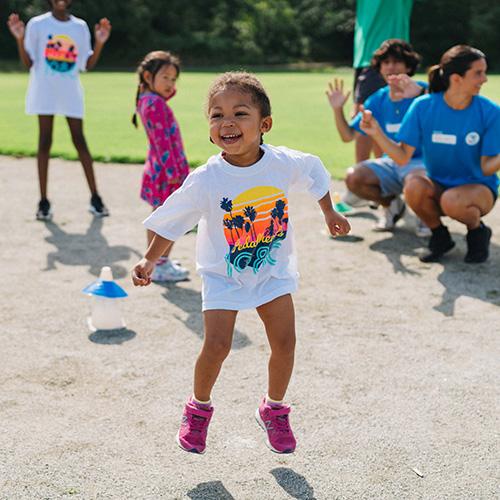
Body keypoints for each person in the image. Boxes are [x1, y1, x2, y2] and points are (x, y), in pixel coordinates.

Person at [131, 72, 351, 454]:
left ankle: (274, 409)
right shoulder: (206, 179)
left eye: (240, 113)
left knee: (285, 343)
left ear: (264, 124)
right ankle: (198, 410)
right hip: (224, 275)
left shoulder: (282, 163)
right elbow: (173, 218)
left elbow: (314, 170)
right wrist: (150, 260)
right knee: (217, 345)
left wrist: (329, 212)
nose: (227, 123)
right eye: (216, 115)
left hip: (272, 271)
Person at [360, 45, 500, 263]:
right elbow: (402, 157)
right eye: (478, 73)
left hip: (478, 187)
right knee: (414, 186)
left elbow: (486, 167)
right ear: (456, 78)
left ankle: (477, 231)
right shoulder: (423, 107)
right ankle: (440, 236)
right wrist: (376, 132)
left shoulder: (490, 112)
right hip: (439, 184)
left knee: (451, 200)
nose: (484, 79)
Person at [7, 0, 111, 221]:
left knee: (80, 141)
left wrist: (100, 43)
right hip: (44, 90)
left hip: (70, 92)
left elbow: (87, 64)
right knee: (44, 142)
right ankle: (43, 202)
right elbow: (28, 63)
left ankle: (96, 198)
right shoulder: (37, 24)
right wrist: (19, 38)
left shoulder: (79, 27)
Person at [327, 39, 429, 235]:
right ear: (380, 68)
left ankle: (426, 216)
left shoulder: (423, 91)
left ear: (408, 66)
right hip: (392, 162)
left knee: (416, 183)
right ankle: (392, 205)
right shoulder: (377, 99)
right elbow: (348, 135)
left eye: (397, 62)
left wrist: (420, 94)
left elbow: (447, 106)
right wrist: (337, 109)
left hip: (422, 163)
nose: (391, 67)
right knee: (354, 177)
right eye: (386, 62)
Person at [132, 51, 190, 282]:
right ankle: (159, 263)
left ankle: (160, 260)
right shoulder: (154, 104)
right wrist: (176, 175)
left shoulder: (150, 100)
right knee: (167, 218)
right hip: (167, 172)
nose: (170, 84)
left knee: (163, 215)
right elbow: (162, 142)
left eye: (174, 79)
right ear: (148, 76)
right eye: (165, 77)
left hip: (162, 169)